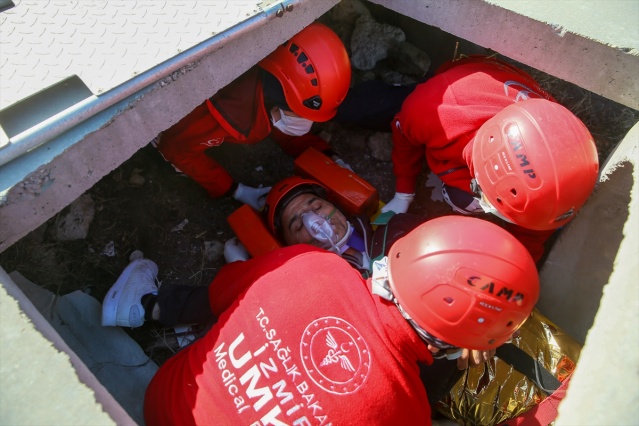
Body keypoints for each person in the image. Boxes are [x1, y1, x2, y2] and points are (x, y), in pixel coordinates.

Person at [114, 216, 539, 425]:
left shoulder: (311, 265)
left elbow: (221, 294)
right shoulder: (408, 412)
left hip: (166, 406)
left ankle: (151, 305)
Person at [381, 55, 600, 263]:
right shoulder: (433, 112)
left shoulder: (564, 174)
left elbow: (534, 231)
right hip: (453, 87)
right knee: (462, 199)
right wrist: (404, 190)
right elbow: (404, 136)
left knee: (467, 201)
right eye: (489, 202)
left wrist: (517, 268)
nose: (487, 211)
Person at [154, 22, 351, 210]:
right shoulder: (222, 115)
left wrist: (326, 157)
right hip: (173, 124)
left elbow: (279, 127)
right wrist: (233, 189)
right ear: (278, 99)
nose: (307, 122)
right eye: (301, 113)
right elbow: (176, 149)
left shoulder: (270, 82)